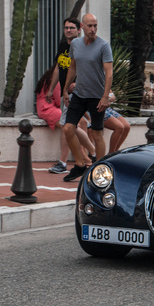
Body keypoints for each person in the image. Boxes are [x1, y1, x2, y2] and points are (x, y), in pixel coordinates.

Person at [61, 13, 113, 182]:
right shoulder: (75, 44)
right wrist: (65, 90)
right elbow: (72, 67)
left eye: (95, 25)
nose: (93, 29)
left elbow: (109, 73)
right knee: (68, 128)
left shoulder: (103, 46)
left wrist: (105, 97)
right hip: (79, 94)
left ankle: (99, 169)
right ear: (82, 27)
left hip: (97, 97)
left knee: (97, 134)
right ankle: (80, 165)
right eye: (89, 26)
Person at [44, 18, 96, 174]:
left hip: (77, 93)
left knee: (66, 125)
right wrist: (51, 89)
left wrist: (78, 84)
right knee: (69, 125)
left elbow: (91, 69)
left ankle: (63, 162)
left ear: (79, 29)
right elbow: (58, 69)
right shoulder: (63, 46)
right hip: (65, 93)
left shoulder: (83, 46)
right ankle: (93, 153)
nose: (68, 30)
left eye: (72, 28)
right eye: (66, 27)